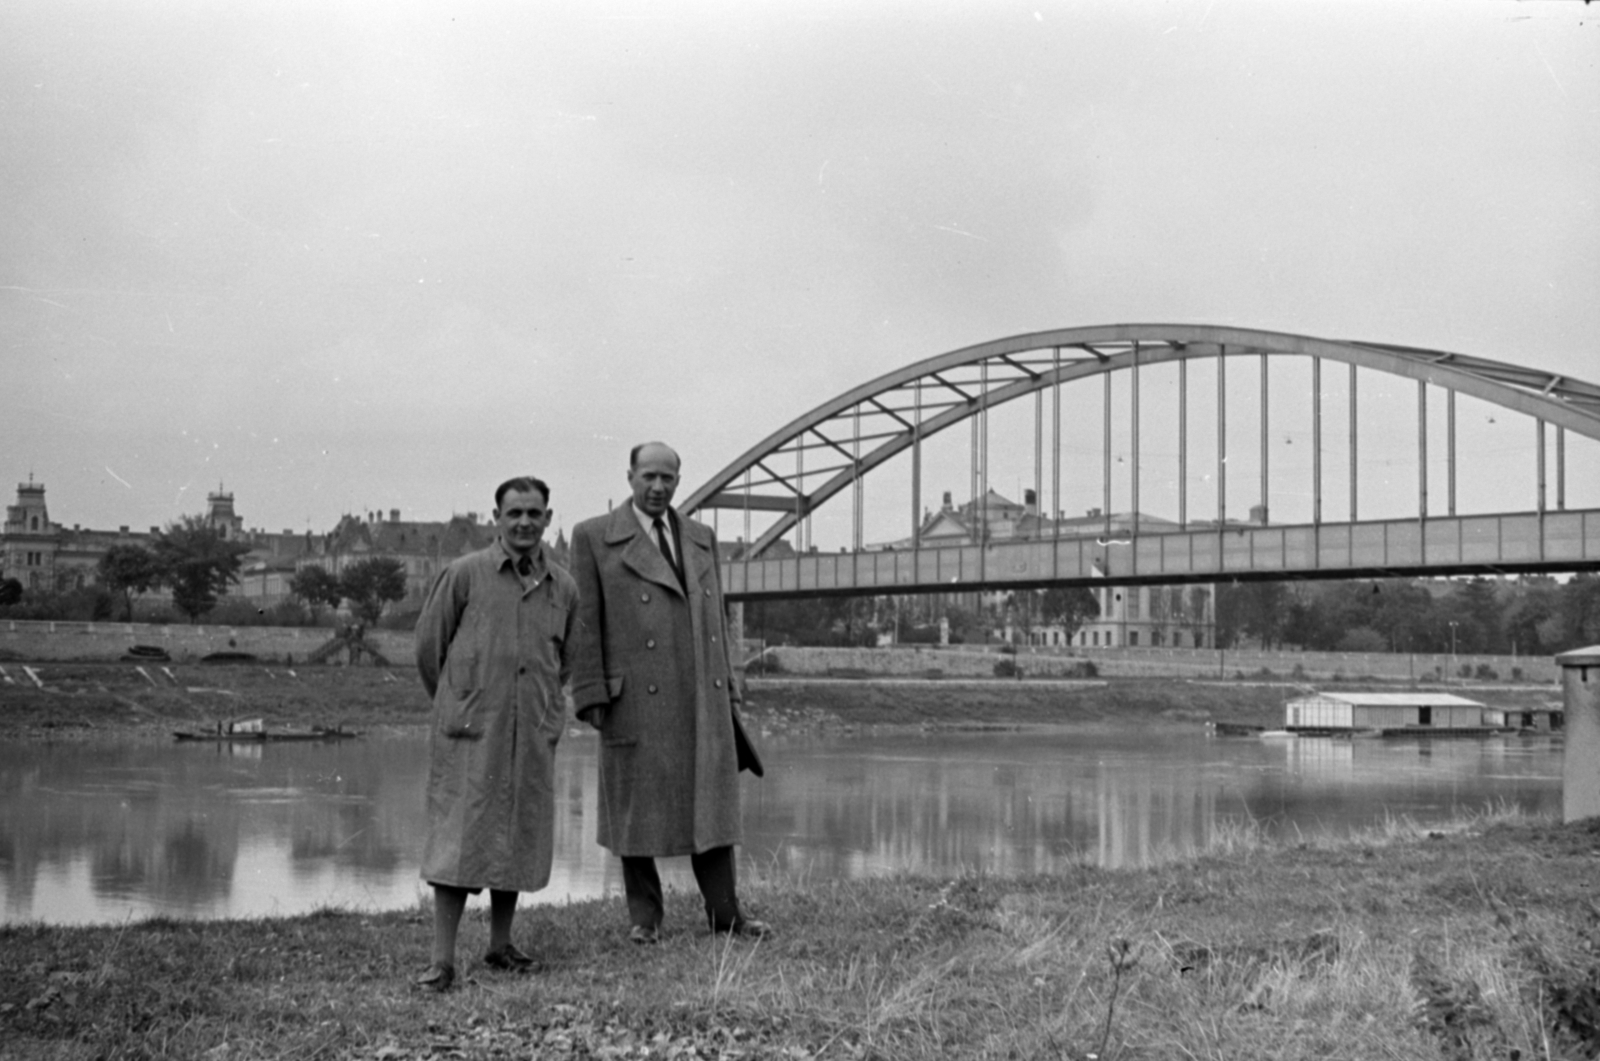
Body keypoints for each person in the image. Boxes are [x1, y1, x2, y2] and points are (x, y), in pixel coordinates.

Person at [569, 441, 768, 944]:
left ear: (679, 481)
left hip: (702, 695)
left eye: (668, 479)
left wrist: (730, 692)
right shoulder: (593, 537)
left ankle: (726, 915)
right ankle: (645, 920)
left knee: (712, 808)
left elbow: (717, 621)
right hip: (634, 697)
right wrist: (591, 692)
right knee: (636, 812)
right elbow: (585, 623)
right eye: (649, 477)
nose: (658, 488)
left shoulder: (701, 538)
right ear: (630, 477)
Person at [411, 475, 578, 991]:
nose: (524, 522)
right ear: (496, 519)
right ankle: (442, 960)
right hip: (470, 732)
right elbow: (427, 649)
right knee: (458, 843)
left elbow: (565, 662)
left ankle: (500, 946)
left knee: (517, 837)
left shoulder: (563, 587)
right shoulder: (464, 575)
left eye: (534, 513)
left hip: (529, 731)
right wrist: (460, 703)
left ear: (548, 519)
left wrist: (545, 715)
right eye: (514, 513)